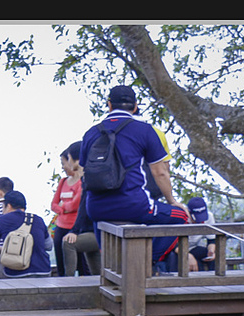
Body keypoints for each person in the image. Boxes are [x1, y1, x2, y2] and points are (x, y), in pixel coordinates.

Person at [79, 85, 189, 273]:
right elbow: (160, 172)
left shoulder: (90, 133)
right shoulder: (145, 130)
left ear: (109, 105)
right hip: (134, 205)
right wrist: (172, 201)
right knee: (182, 217)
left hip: (97, 209)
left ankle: (111, 264)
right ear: (135, 107)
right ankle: (147, 260)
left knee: (103, 231)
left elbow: (84, 174)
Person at [0, 190, 52, 278]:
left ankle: (3, 287)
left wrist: (3, 249)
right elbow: (49, 246)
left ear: (8, 206)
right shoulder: (38, 219)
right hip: (43, 272)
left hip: (15, 274)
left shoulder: (2, 220)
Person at [50, 142, 84, 276]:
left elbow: (76, 204)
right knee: (61, 263)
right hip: (61, 226)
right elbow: (53, 204)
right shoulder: (63, 182)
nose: (63, 167)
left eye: (65, 162)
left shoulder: (82, 182)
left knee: (81, 263)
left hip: (75, 226)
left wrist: (63, 207)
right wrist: (64, 208)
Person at [186, 196, 216, 272]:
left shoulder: (209, 217)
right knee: (197, 266)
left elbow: (211, 240)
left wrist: (211, 250)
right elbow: (172, 245)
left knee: (214, 257)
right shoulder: (181, 218)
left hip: (193, 248)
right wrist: (187, 256)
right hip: (177, 249)